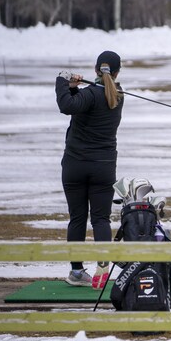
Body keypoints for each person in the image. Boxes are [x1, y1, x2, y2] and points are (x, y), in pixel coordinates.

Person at [55, 51, 124, 288]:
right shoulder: (119, 96)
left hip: (75, 165)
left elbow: (67, 106)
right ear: (116, 73)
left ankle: (76, 273)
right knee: (100, 219)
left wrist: (63, 82)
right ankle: (102, 269)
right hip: (103, 168)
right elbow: (80, 105)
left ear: (95, 70)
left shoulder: (91, 94)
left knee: (77, 218)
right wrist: (75, 89)